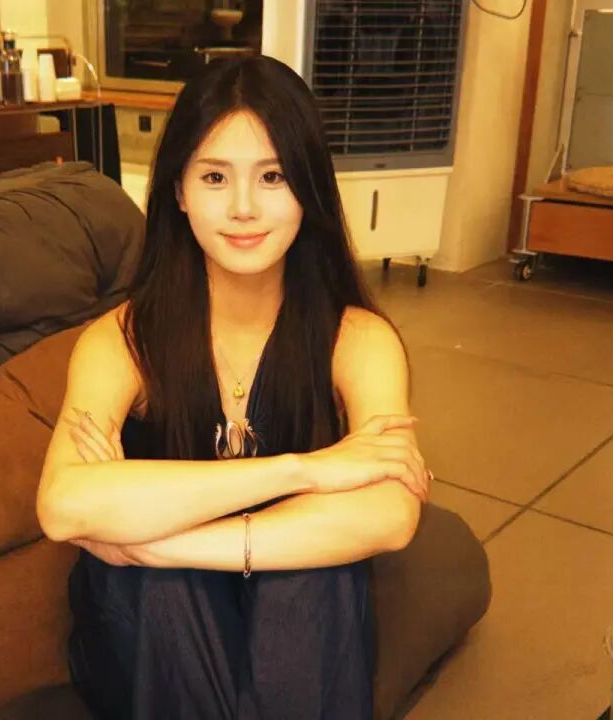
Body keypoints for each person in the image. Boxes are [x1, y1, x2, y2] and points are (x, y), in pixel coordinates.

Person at [35, 55, 432, 720]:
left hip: (258, 597)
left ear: (308, 186)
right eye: (215, 176)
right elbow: (64, 504)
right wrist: (306, 471)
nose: (244, 208)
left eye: (273, 176)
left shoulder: (356, 339)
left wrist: (157, 543)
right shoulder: (123, 340)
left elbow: (391, 514)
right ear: (179, 190)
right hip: (147, 628)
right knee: (170, 590)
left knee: (317, 578)